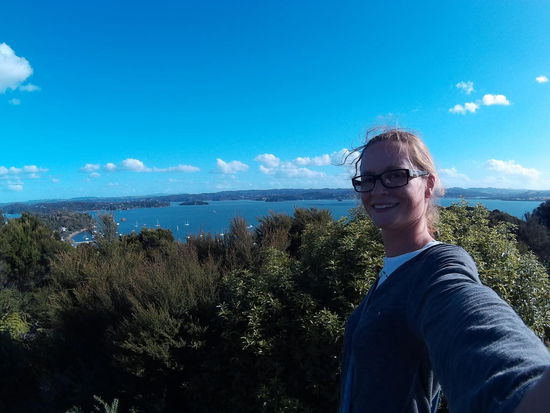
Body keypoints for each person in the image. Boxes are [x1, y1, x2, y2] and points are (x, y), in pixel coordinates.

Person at [340, 128, 550, 413]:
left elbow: (475, 324)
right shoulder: (394, 269)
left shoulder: (438, 268)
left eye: (395, 175)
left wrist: (523, 394)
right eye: (368, 179)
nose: (377, 190)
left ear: (428, 185)